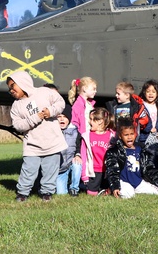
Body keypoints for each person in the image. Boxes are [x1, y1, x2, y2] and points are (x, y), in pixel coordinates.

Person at [8, 71, 67, 202]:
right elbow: (18, 125)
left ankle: (47, 193)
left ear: (23, 82)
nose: (10, 90)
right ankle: (22, 193)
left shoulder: (44, 92)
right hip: (32, 145)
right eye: (9, 88)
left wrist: (51, 111)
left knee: (50, 169)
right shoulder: (16, 106)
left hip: (52, 141)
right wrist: (35, 118)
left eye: (12, 86)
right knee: (28, 170)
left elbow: (60, 102)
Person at [104, 121, 158, 198]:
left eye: (132, 134)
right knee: (129, 195)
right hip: (123, 182)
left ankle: (135, 189)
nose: (129, 137)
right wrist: (115, 186)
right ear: (120, 136)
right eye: (126, 135)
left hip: (138, 182)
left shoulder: (141, 148)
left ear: (135, 134)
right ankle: (110, 190)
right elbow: (112, 171)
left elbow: (150, 167)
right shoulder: (115, 151)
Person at [68, 76, 97, 188]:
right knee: (84, 157)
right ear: (84, 89)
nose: (95, 91)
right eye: (93, 89)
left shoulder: (89, 103)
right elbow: (76, 122)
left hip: (89, 134)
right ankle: (84, 179)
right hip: (83, 135)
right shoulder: (78, 104)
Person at [82, 107, 113, 196]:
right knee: (91, 194)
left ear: (100, 121)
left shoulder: (112, 136)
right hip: (93, 170)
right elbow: (84, 156)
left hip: (107, 170)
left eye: (92, 120)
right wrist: (84, 175)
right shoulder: (86, 136)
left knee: (109, 192)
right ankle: (85, 186)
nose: (89, 122)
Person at [138, 80, 158, 165]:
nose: (150, 94)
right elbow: (140, 120)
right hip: (144, 136)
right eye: (148, 91)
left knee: (155, 158)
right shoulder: (141, 105)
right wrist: (148, 129)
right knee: (143, 158)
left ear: (157, 93)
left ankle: (154, 174)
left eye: (153, 91)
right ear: (144, 92)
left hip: (156, 136)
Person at [55, 114, 82, 196]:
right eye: (59, 117)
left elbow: (79, 146)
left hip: (71, 162)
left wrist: (78, 155)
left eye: (65, 116)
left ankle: (74, 189)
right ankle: (66, 181)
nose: (62, 119)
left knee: (77, 164)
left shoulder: (75, 131)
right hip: (60, 168)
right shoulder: (52, 132)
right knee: (61, 194)